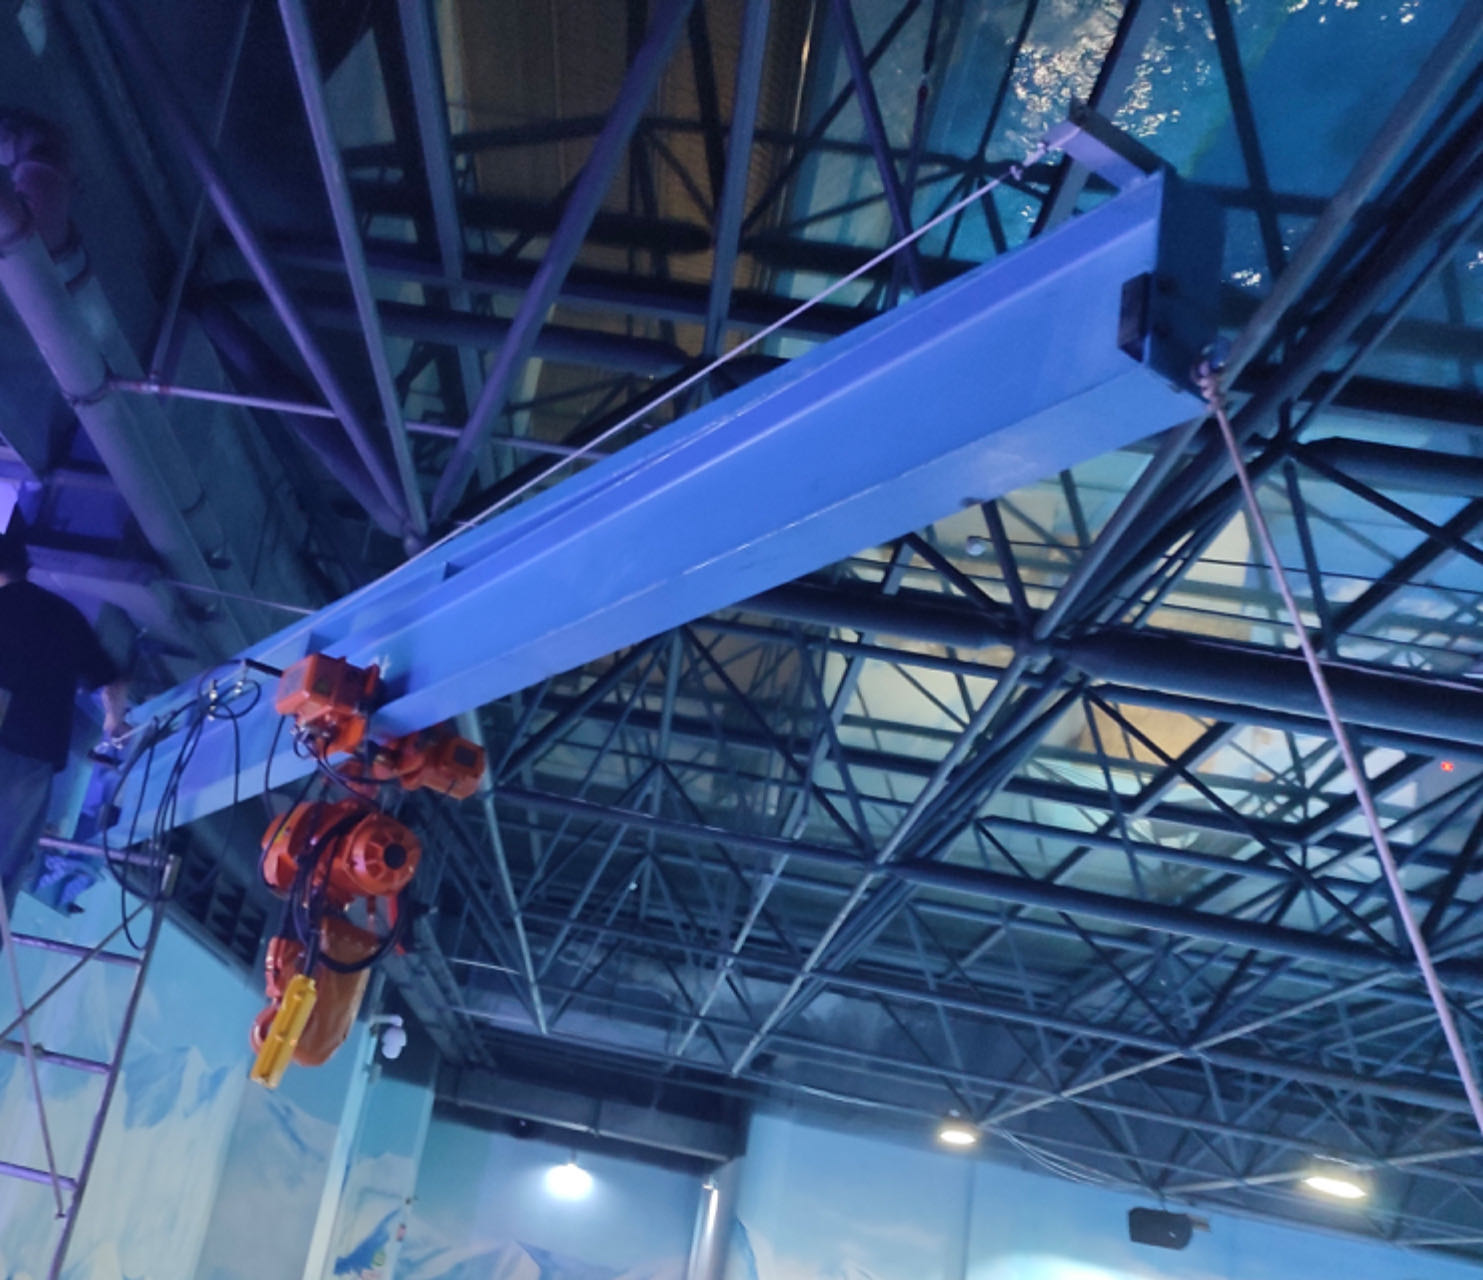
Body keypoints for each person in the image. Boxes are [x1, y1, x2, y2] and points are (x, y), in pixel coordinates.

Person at [0, 533, 129, 916]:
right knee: (9, 854)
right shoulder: (64, 615)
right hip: (36, 754)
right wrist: (114, 722)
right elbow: (112, 679)